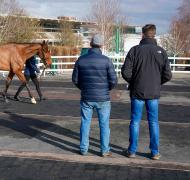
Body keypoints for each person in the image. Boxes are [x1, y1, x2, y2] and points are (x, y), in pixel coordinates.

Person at [121, 24, 172, 160]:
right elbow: (168, 75)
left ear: (142, 34)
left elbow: (125, 71)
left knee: (135, 121)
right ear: (154, 34)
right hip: (154, 93)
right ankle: (155, 152)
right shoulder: (161, 51)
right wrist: (156, 83)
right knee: (153, 122)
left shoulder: (134, 50)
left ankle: (132, 150)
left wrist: (134, 82)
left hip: (137, 91)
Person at [72, 34, 117, 157]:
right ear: (101, 45)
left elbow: (75, 80)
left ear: (90, 44)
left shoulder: (81, 60)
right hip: (103, 98)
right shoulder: (106, 60)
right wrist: (105, 89)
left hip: (86, 97)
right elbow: (113, 80)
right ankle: (104, 150)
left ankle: (83, 149)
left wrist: (84, 88)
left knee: (85, 123)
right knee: (104, 124)